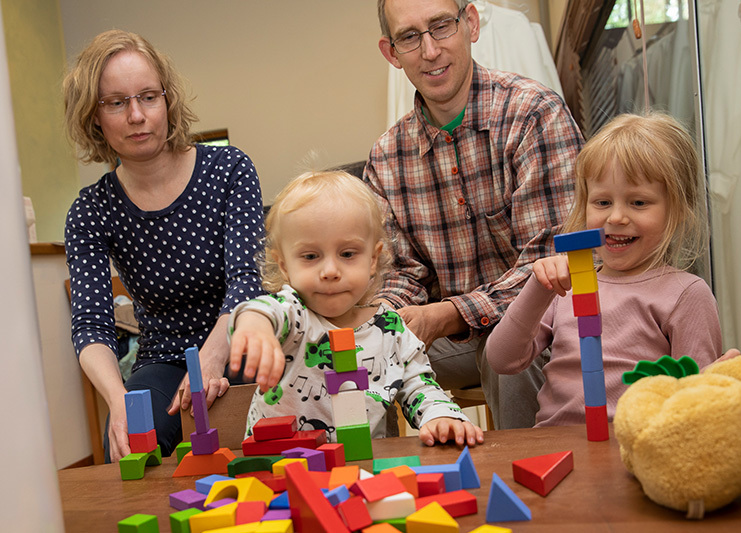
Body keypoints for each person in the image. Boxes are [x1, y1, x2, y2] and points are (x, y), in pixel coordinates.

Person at [365, 0, 584, 428]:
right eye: (409, 37)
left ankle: (525, 488)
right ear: (391, 53)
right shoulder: (386, 158)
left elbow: (552, 260)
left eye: (441, 26)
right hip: (456, 337)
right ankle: (380, 489)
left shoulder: (534, 114)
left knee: (507, 358)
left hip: (547, 323)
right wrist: (385, 320)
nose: (430, 51)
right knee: (362, 362)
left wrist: (447, 313)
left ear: (470, 24)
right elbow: (400, 273)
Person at [63, 30, 265, 462]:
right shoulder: (90, 210)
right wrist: (119, 401)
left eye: (148, 97)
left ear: (167, 100)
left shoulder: (229, 170)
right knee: (127, 447)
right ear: (93, 115)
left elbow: (247, 281)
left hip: (242, 342)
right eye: (116, 102)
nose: (136, 115)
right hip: (164, 359)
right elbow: (91, 326)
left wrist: (211, 360)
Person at [485, 112, 726, 427]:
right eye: (601, 202)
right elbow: (502, 360)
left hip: (633, 448)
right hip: (557, 447)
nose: (616, 218)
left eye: (638, 203)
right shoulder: (565, 285)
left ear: (677, 211)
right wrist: (537, 286)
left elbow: (695, 403)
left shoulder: (686, 294)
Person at [228, 171, 484, 447]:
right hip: (281, 469)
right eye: (311, 256)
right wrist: (255, 325)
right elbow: (264, 309)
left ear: (373, 260)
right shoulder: (293, 313)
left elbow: (420, 388)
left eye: (347, 254)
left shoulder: (392, 330)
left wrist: (441, 417)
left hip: (360, 468)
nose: (330, 271)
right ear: (284, 265)